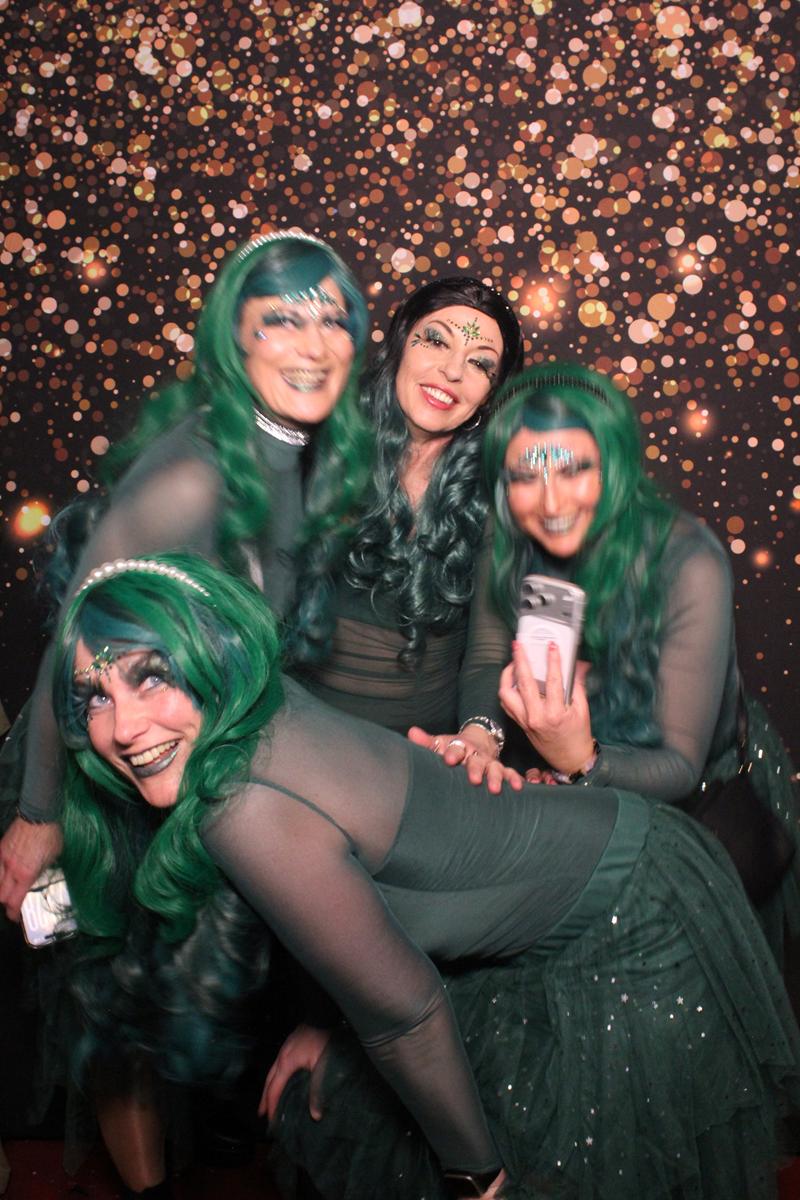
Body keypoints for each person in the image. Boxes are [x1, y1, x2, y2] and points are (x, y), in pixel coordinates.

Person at [52, 553, 800, 1200]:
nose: (123, 727)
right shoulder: (254, 719)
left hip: (632, 909)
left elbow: (406, 1014)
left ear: (213, 656)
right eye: (96, 695)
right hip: (580, 890)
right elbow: (349, 898)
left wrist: (482, 1182)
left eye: (152, 678)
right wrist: (329, 1022)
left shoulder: (240, 809)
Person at [0, 228, 372, 923]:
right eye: (282, 320)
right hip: (100, 780)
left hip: (183, 775)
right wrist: (39, 812)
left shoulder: (300, 453)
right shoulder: (192, 479)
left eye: (331, 320)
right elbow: (78, 646)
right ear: (235, 339)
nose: (314, 346)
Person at [471, 365, 799, 941]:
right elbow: (482, 660)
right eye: (525, 476)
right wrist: (481, 737)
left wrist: (580, 762)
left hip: (688, 796)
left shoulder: (688, 562)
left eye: (574, 469)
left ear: (614, 464)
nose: (550, 501)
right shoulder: (508, 537)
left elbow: (680, 766)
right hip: (564, 786)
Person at [288, 276, 524, 787]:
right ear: (400, 342)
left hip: (419, 764)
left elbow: (488, 651)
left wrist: (479, 737)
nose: (453, 371)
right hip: (295, 744)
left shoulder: (498, 489)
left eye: (480, 364)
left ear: (491, 393)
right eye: (436, 340)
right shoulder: (318, 444)